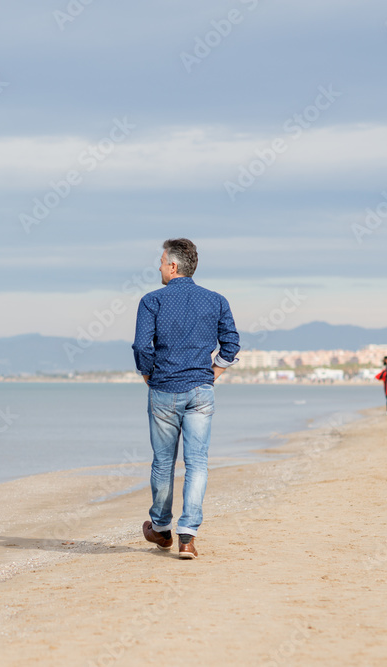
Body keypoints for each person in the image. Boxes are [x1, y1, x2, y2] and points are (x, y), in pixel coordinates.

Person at [132, 238, 239, 559]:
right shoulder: (216, 300)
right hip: (201, 391)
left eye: (161, 262)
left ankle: (161, 529)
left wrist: (147, 374)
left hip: (164, 389)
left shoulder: (152, 301)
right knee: (197, 464)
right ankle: (187, 538)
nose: (159, 268)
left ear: (173, 266)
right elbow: (231, 343)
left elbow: (142, 346)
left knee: (164, 462)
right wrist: (215, 372)